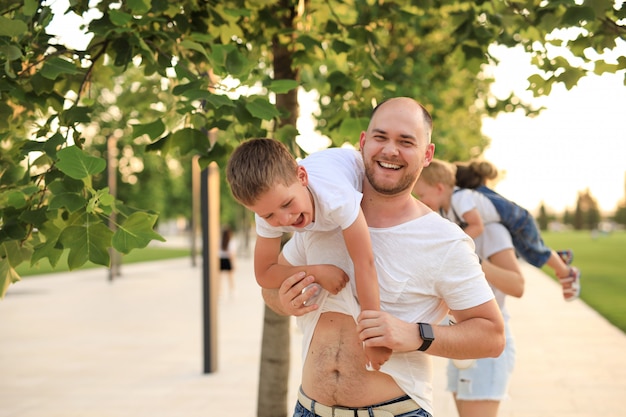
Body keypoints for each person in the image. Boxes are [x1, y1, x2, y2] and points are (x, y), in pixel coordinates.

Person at [262, 97, 506, 417]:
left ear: (427, 155)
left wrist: (416, 334)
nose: (390, 150)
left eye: (406, 142)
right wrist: (285, 300)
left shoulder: (444, 241)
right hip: (308, 408)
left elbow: (491, 336)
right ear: (363, 143)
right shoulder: (319, 215)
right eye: (380, 137)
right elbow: (270, 288)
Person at [226, 138, 390, 370]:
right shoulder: (268, 206)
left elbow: (365, 262)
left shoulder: (336, 196)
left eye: (287, 204)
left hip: (358, 173)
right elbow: (263, 274)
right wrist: (316, 271)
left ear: (302, 177)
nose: (283, 220)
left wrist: (374, 337)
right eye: (268, 216)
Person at [413, 159, 525, 417]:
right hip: (461, 339)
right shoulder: (450, 228)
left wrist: (473, 262)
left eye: (423, 194)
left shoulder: (493, 231)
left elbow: (518, 286)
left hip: (488, 343)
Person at [454, 159, 581, 302]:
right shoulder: (479, 194)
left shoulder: (468, 197)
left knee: (536, 253)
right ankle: (559, 257)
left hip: (520, 222)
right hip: (517, 222)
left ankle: (567, 273)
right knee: (531, 252)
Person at [219, 226, 236, 297]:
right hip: (228, 260)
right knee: (231, 277)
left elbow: (218, 252)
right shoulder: (231, 242)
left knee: (220, 278)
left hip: (221, 259)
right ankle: (232, 291)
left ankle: (221, 292)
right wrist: (234, 263)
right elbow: (232, 254)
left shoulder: (220, 241)